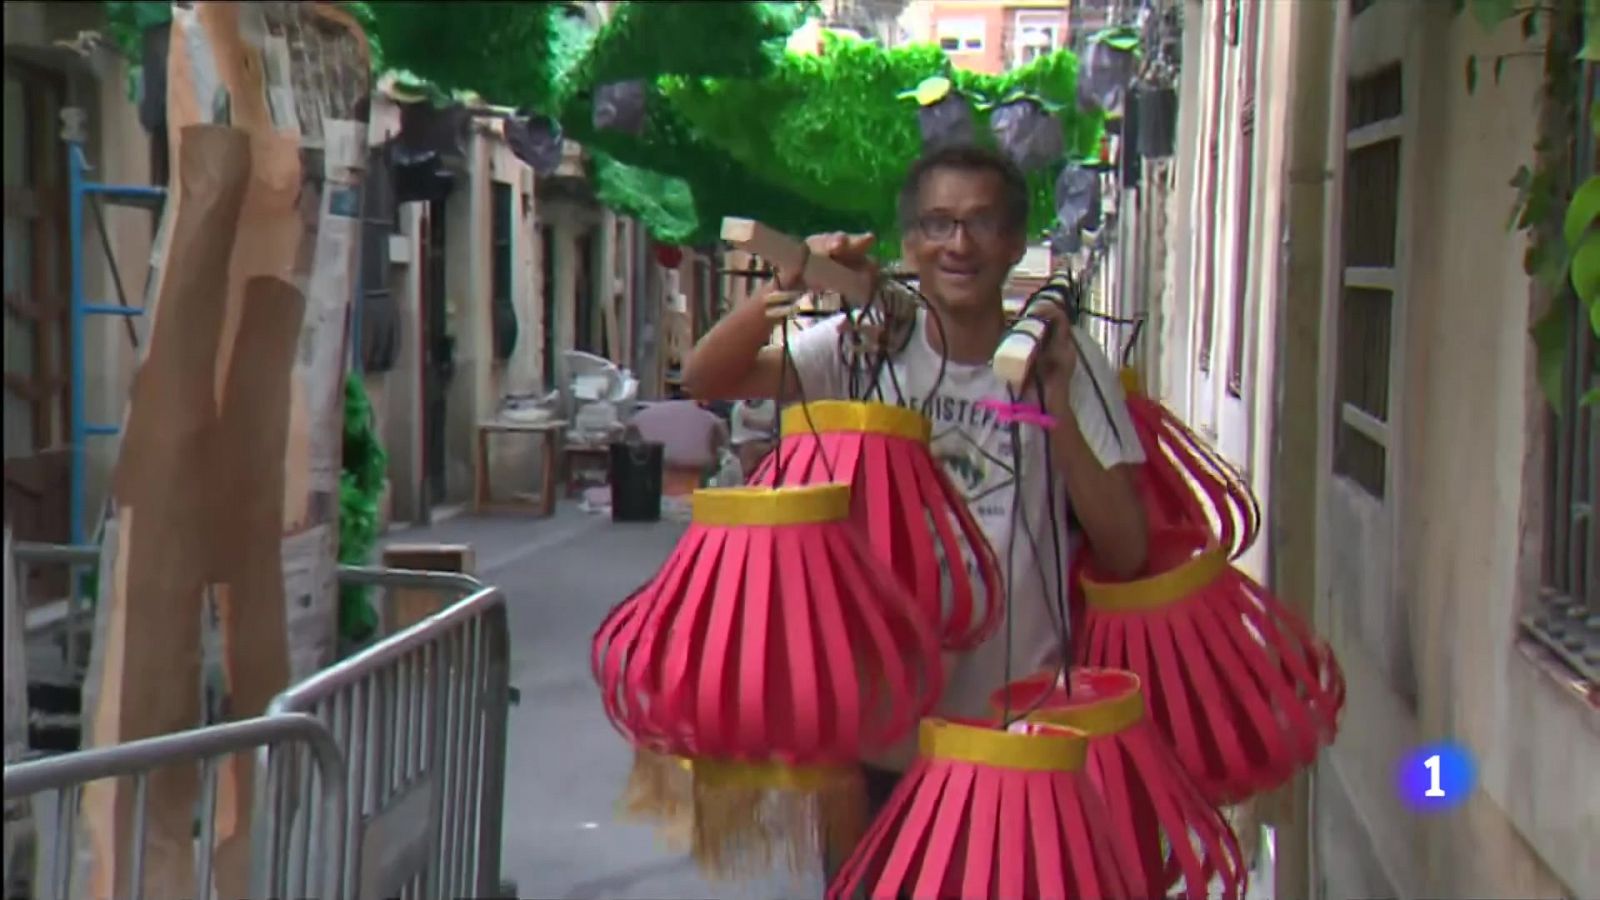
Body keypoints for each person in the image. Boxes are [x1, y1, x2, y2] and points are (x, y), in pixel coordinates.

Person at [681, 143, 1149, 867]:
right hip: (882, 740)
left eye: (981, 222)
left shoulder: (1068, 361)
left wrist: (1054, 406)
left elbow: (1127, 550)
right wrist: (792, 278)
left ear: (1015, 242)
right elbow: (707, 375)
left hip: (1015, 736)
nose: (958, 244)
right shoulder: (865, 348)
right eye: (937, 224)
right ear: (910, 242)